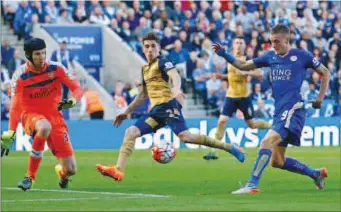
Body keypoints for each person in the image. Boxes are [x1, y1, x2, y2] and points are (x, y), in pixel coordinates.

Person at [96, 32, 246, 182]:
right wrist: (126, 112)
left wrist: (175, 89)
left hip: (168, 106)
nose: (150, 50)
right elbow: (142, 95)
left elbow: (175, 76)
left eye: (153, 46)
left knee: (186, 137)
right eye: (146, 46)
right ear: (143, 49)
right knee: (131, 132)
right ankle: (118, 170)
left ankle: (230, 148)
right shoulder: (145, 69)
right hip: (156, 113)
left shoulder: (163, 62)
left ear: (159, 48)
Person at [213, 24, 330, 194]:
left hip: (293, 109)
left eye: (276, 41)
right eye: (271, 41)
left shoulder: (301, 56)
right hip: (279, 111)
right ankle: (316, 174)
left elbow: (325, 72)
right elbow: (243, 65)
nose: (273, 45)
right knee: (277, 161)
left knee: (266, 142)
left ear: (287, 40)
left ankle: (252, 185)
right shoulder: (270, 57)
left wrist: (320, 99)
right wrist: (224, 53)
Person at [0, 38, 83, 191]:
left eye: (44, 53)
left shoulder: (56, 68)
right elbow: (15, 106)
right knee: (44, 127)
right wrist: (11, 132)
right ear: (29, 56)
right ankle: (29, 177)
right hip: (30, 114)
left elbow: (77, 88)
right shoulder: (20, 76)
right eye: (37, 54)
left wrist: (73, 101)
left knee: (70, 169)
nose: (42, 57)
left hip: (55, 118)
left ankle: (61, 173)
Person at [203, 36, 271, 160]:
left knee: (252, 124)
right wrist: (222, 76)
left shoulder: (249, 60)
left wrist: (246, 72)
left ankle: (272, 128)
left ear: (245, 46)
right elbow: (231, 75)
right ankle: (213, 151)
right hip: (231, 96)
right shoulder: (230, 60)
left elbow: (260, 74)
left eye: (241, 43)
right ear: (233, 45)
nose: (239, 45)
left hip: (244, 97)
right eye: (236, 43)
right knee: (221, 122)